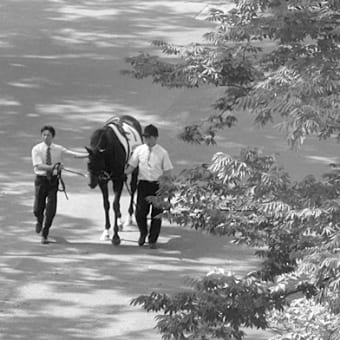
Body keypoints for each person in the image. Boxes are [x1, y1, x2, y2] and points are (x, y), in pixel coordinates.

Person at [31, 125, 88, 244]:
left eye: (48, 135)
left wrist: (88, 155)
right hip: (41, 180)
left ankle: (45, 233)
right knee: (37, 208)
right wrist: (53, 166)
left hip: (53, 181)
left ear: (53, 137)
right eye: (44, 135)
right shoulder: (36, 149)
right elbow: (38, 166)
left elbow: (73, 154)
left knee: (51, 210)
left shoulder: (58, 149)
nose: (46, 137)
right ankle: (39, 220)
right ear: (41, 136)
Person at [125, 124, 173, 249]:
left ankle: (152, 240)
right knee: (140, 213)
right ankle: (143, 233)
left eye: (148, 137)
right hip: (144, 184)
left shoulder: (162, 153)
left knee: (156, 215)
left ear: (155, 138)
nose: (146, 140)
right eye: (145, 137)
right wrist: (122, 174)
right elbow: (131, 166)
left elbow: (168, 171)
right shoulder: (139, 150)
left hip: (157, 186)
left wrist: (167, 187)